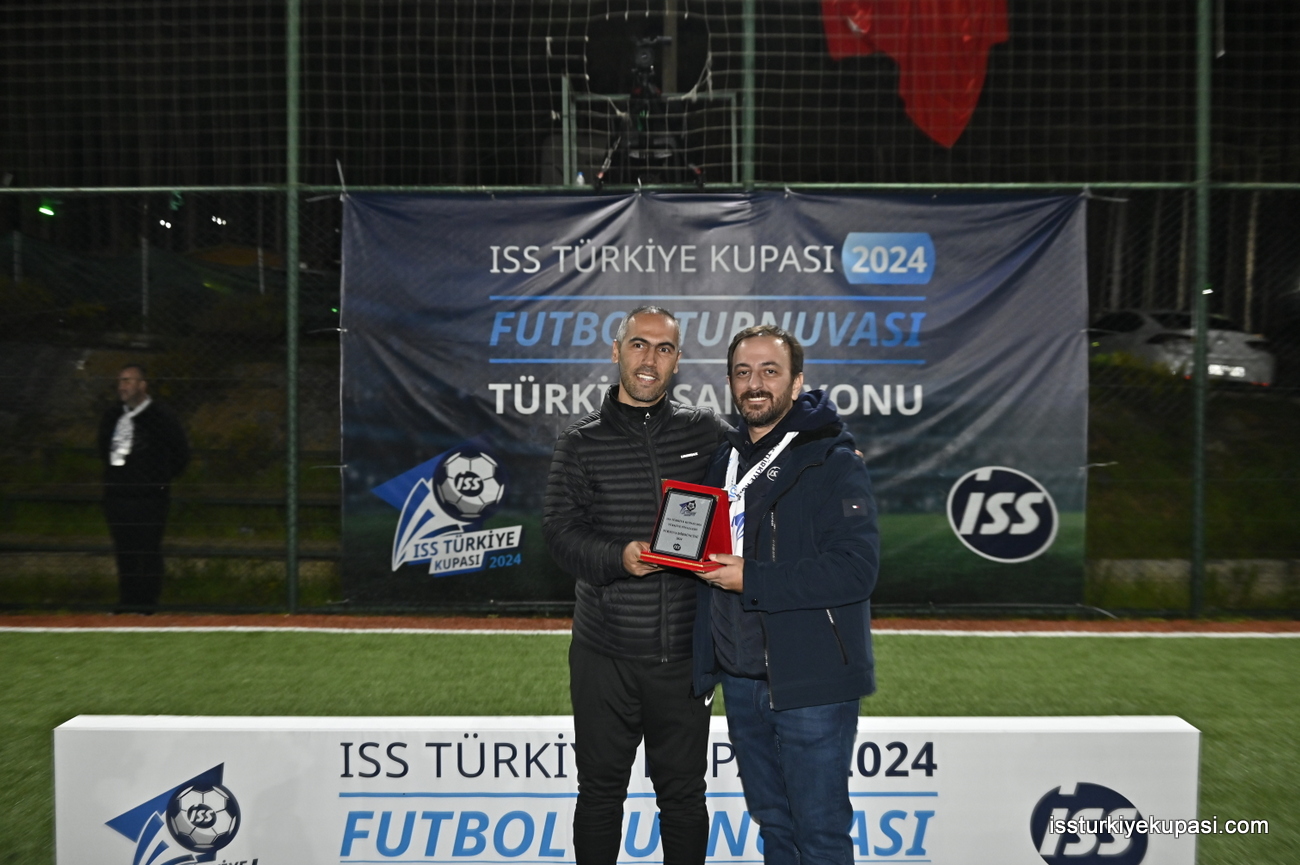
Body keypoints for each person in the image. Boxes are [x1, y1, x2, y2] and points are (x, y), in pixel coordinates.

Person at [543, 306, 729, 865]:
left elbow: (768, 454)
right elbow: (559, 536)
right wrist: (618, 558)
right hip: (605, 655)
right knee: (600, 794)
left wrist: (828, 449)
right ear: (617, 350)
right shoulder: (580, 442)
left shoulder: (706, 432)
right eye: (639, 344)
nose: (650, 358)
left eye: (664, 348)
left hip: (684, 657)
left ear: (678, 361)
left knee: (684, 796)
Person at [692, 325, 879, 865]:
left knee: (819, 837)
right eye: (743, 372)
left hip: (810, 683)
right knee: (775, 828)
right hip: (741, 679)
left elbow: (856, 570)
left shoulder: (832, 459)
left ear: (796, 384)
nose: (755, 383)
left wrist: (754, 579)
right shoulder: (722, 458)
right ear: (730, 382)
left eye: (769, 371)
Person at [96, 364, 189, 612]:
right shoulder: (112, 416)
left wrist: (158, 481)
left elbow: (181, 453)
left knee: (148, 549)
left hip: (150, 498)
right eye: (120, 381)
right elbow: (103, 450)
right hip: (118, 497)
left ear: (142, 385)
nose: (122, 386)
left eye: (128, 380)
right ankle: (127, 602)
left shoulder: (161, 416)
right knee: (124, 550)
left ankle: (147, 604)